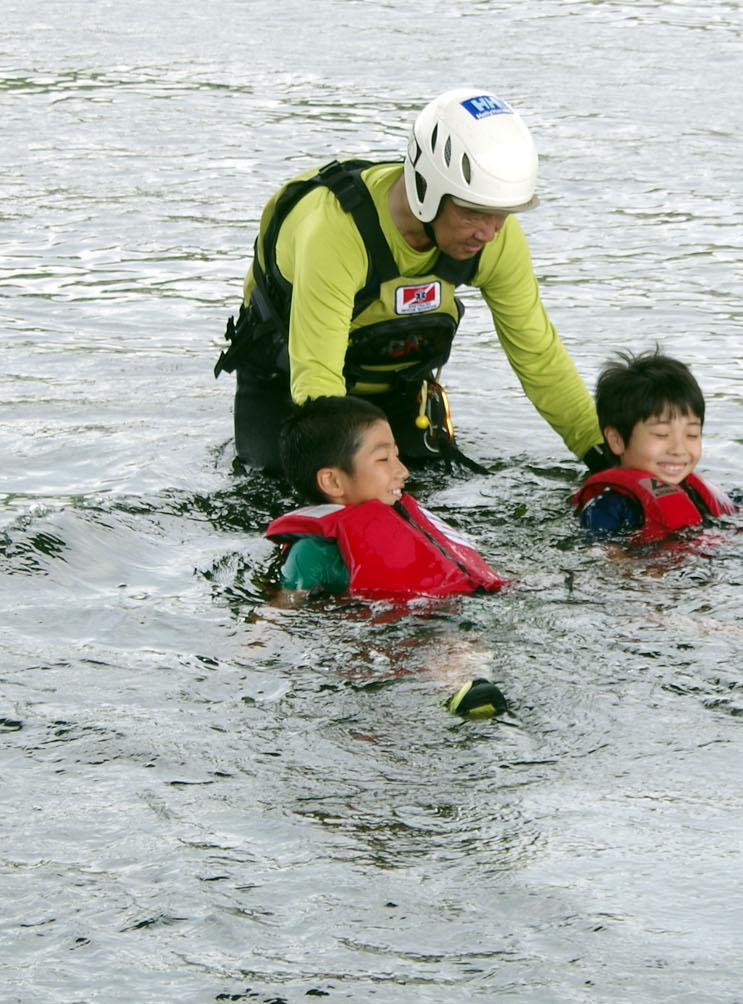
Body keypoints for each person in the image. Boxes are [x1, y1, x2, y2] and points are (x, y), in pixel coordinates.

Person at [217, 88, 604, 475]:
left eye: (501, 215)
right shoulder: (335, 234)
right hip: (290, 391)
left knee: (428, 492)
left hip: (398, 389)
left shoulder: (494, 234)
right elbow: (317, 383)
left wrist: (603, 455)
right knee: (276, 497)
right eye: (473, 215)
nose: (489, 233)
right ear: (426, 190)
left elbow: (538, 356)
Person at [265, 397, 508, 716]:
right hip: (368, 637)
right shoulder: (312, 552)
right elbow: (281, 610)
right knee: (438, 645)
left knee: (456, 640)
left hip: (430, 613)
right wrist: (249, 649)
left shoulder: (406, 523)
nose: (403, 471)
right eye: (383, 459)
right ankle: (460, 692)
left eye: (397, 455)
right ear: (333, 481)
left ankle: (468, 688)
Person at [570, 351, 739, 544]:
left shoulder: (693, 490)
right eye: (661, 435)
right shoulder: (606, 507)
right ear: (617, 440)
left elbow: (736, 501)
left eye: (691, 435)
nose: (678, 449)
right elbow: (600, 552)